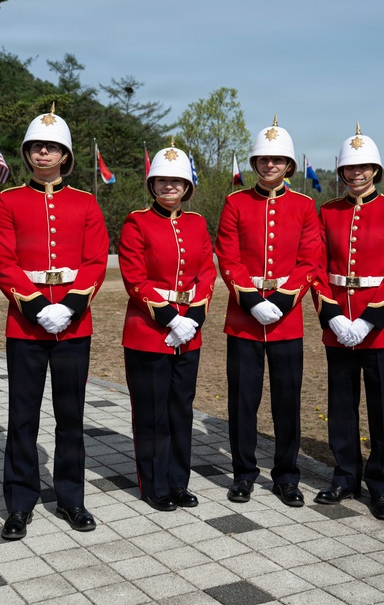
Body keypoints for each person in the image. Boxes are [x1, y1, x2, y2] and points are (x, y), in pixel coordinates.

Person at [0, 104, 109, 539]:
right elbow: (2, 260)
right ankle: (20, 502)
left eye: (52, 147)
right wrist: (38, 306)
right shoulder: (8, 201)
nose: (44, 153)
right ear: (26, 153)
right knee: (22, 416)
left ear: (65, 156)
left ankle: (71, 498)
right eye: (37, 146)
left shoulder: (86, 203)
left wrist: (71, 307)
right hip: (26, 324)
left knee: (70, 415)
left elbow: (96, 260)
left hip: (74, 325)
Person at [215, 116, 321, 507]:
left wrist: (278, 301)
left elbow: (309, 259)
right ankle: (243, 474)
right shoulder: (235, 202)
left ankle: (286, 476)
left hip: (286, 318)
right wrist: (251, 300)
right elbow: (227, 256)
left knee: (286, 402)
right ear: (254, 163)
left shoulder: (305, 206)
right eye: (263, 159)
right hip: (245, 318)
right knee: (242, 401)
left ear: (289, 165)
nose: (270, 165)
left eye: (278, 160)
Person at [311, 126, 384, 520]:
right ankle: (345, 475)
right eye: (349, 168)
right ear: (341, 172)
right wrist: (334, 316)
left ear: (375, 170)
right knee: (340, 407)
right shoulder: (329, 212)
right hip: (338, 324)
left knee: (381, 410)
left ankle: (383, 486)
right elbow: (318, 269)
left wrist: (369, 320)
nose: (356, 174)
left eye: (364, 167)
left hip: (379, 328)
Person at [118, 143, 216, 512]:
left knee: (181, 410)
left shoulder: (197, 223)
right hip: (149, 331)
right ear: (152, 184)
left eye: (177, 181)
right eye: (162, 181)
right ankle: (154, 483)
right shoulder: (136, 222)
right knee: (152, 413)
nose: (169, 187)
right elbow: (134, 278)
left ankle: (178, 481)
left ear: (187, 186)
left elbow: (207, 272)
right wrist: (169, 317)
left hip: (189, 332)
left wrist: (191, 319)